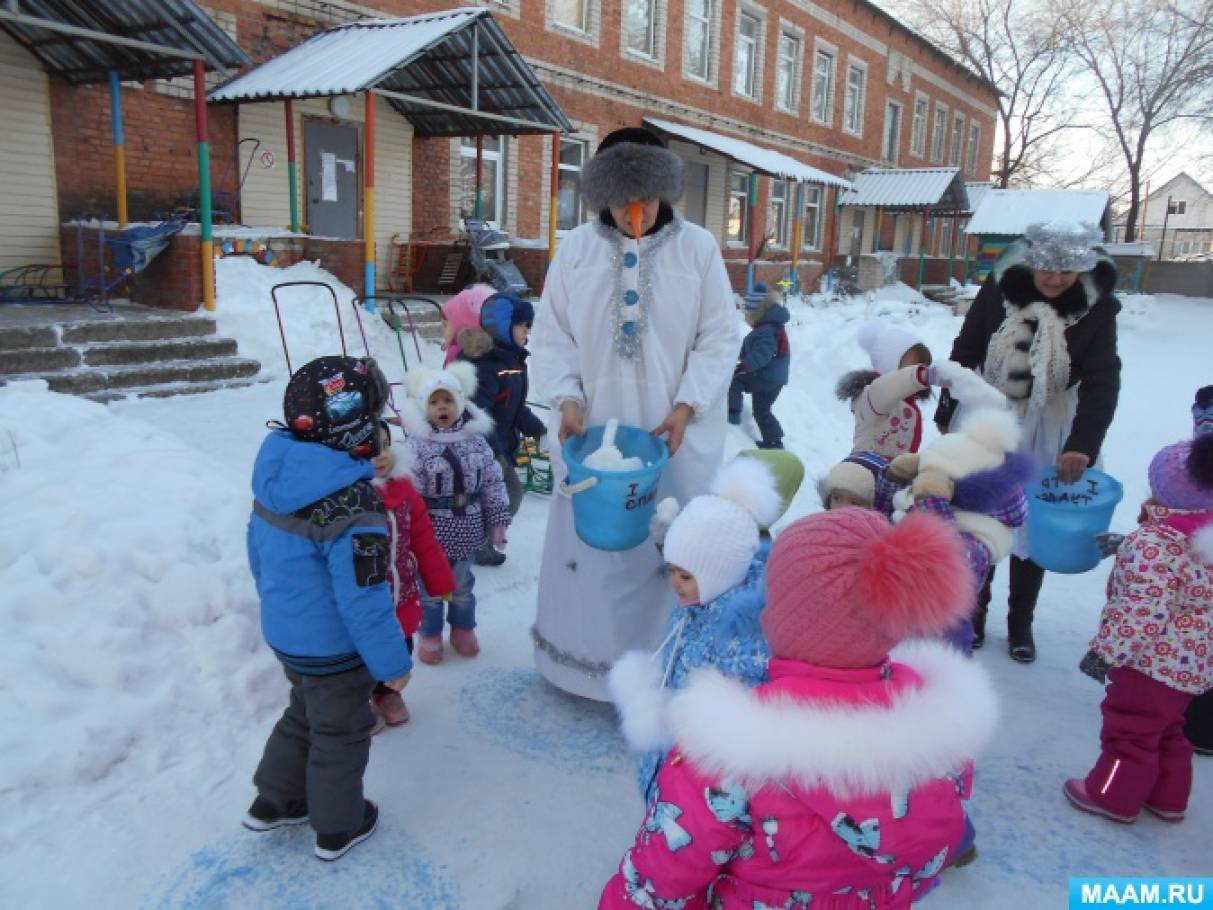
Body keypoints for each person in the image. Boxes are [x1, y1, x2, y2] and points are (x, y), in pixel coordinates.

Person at [598, 507, 997, 909]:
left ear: (792, 620)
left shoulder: (728, 753)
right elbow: (930, 855)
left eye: (774, 599)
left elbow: (662, 876)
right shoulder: (940, 741)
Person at [529, 126, 740, 701]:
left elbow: (721, 336)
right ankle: (583, 667)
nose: (634, 212)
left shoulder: (697, 248)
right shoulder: (575, 248)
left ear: (663, 193)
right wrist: (567, 398)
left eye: (645, 197)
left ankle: (661, 665)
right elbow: (551, 336)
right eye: (621, 200)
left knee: (662, 542)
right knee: (593, 549)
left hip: (670, 433)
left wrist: (685, 405)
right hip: (591, 426)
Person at [244, 356, 410, 862]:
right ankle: (339, 825)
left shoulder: (279, 476)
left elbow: (257, 556)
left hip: (287, 633)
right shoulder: (352, 506)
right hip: (334, 648)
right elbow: (364, 598)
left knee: (303, 714)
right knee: (341, 731)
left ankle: (275, 800)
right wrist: (391, 666)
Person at [937, 221, 1121, 663]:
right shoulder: (999, 288)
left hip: (1053, 418)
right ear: (1030, 262)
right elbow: (967, 348)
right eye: (1047, 269)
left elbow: (1103, 379)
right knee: (980, 512)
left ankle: (1021, 619)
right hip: (990, 412)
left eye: (1067, 271)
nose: (1056, 279)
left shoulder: (1097, 308)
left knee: (1033, 519)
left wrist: (1082, 445)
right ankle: (974, 610)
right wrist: (948, 407)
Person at [608, 458, 784, 806]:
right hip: (670, 750)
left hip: (701, 776)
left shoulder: (744, 638)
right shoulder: (694, 604)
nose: (675, 583)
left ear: (722, 572)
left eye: (686, 576)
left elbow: (736, 727)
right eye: (672, 570)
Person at [1064, 434, 1213, 823]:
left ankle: (1111, 796)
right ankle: (1168, 797)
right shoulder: (1199, 537)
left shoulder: (1156, 544)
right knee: (1168, 729)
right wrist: (1129, 545)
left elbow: (1141, 609)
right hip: (1193, 665)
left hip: (1147, 663)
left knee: (1129, 732)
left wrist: (1105, 653)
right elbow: (1186, 573)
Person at [398, 362, 511, 665]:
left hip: (469, 525)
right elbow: (409, 495)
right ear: (424, 408)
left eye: (448, 400)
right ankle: (431, 635)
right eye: (434, 402)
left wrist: (498, 520)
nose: (442, 407)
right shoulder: (417, 448)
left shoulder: (476, 443)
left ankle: (463, 629)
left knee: (462, 585)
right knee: (431, 589)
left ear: (460, 404)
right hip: (430, 532)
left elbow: (492, 481)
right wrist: (407, 534)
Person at [369, 423, 455, 729]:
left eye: (384, 445)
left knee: (400, 646)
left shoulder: (404, 489)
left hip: (402, 593)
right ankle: (357, 702)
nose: (380, 455)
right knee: (363, 655)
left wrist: (440, 581)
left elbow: (424, 539)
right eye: (369, 448)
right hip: (368, 598)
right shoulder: (352, 496)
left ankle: (385, 694)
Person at [458, 292, 547, 567]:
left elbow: (516, 409)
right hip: (483, 450)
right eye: (523, 325)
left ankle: (477, 543)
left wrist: (540, 432)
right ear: (505, 325)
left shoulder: (513, 362)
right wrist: (494, 453)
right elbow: (476, 413)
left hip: (501, 446)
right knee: (511, 493)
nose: (527, 332)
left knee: (493, 499)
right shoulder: (486, 365)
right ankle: (474, 544)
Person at [836, 320, 939, 458]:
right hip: (868, 467)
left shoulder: (908, 401)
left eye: (924, 366)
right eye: (914, 366)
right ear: (890, 366)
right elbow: (887, 388)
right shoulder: (874, 394)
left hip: (893, 471)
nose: (920, 371)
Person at [728, 283, 790, 449]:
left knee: (735, 381)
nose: (745, 318)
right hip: (773, 379)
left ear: (758, 313)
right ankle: (774, 442)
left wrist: (743, 367)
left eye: (747, 313)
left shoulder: (766, 331)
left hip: (765, 376)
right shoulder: (770, 328)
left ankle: (731, 418)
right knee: (762, 411)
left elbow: (762, 354)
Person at [440, 282, 496, 366]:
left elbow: (447, 378)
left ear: (463, 324)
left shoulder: (456, 353)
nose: (442, 330)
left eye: (445, 325)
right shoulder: (493, 350)